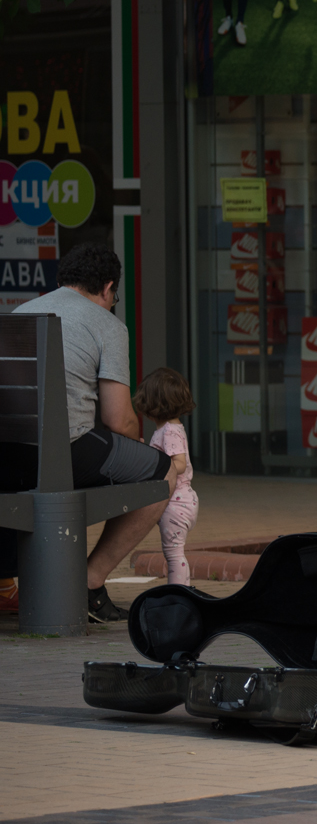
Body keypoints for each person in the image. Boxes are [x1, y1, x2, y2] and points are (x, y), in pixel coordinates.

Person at [15, 243, 176, 623]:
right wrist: (136, 448)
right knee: (163, 472)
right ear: (107, 288)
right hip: (62, 450)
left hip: (9, 452)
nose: (112, 302)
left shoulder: (21, 313)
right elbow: (119, 421)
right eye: (114, 296)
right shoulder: (107, 324)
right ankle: (88, 581)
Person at [133, 369, 199, 587]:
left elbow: (179, 464)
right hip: (179, 500)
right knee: (173, 552)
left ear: (152, 405)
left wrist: (155, 461)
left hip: (176, 501)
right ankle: (181, 593)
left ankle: (179, 594)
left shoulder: (169, 431)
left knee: (174, 554)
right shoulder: (170, 429)